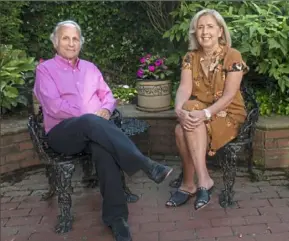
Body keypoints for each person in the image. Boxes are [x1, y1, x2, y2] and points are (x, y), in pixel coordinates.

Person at [34, 20, 173, 241]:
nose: (71, 43)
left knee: (104, 151)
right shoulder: (45, 70)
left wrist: (106, 111)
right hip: (63, 133)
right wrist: (90, 114)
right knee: (90, 121)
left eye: (75, 38)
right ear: (55, 42)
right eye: (65, 38)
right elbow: (54, 106)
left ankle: (116, 218)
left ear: (81, 42)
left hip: (95, 129)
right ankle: (145, 164)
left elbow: (107, 96)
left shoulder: (90, 68)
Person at [165, 9, 249, 210]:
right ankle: (201, 181)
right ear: (195, 32)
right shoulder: (190, 57)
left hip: (228, 113)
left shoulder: (232, 55)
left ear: (220, 31)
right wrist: (178, 109)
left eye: (210, 26)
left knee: (183, 126)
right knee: (184, 119)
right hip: (201, 112)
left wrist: (205, 113)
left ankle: (191, 183)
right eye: (200, 27)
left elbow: (229, 96)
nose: (205, 32)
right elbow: (185, 88)